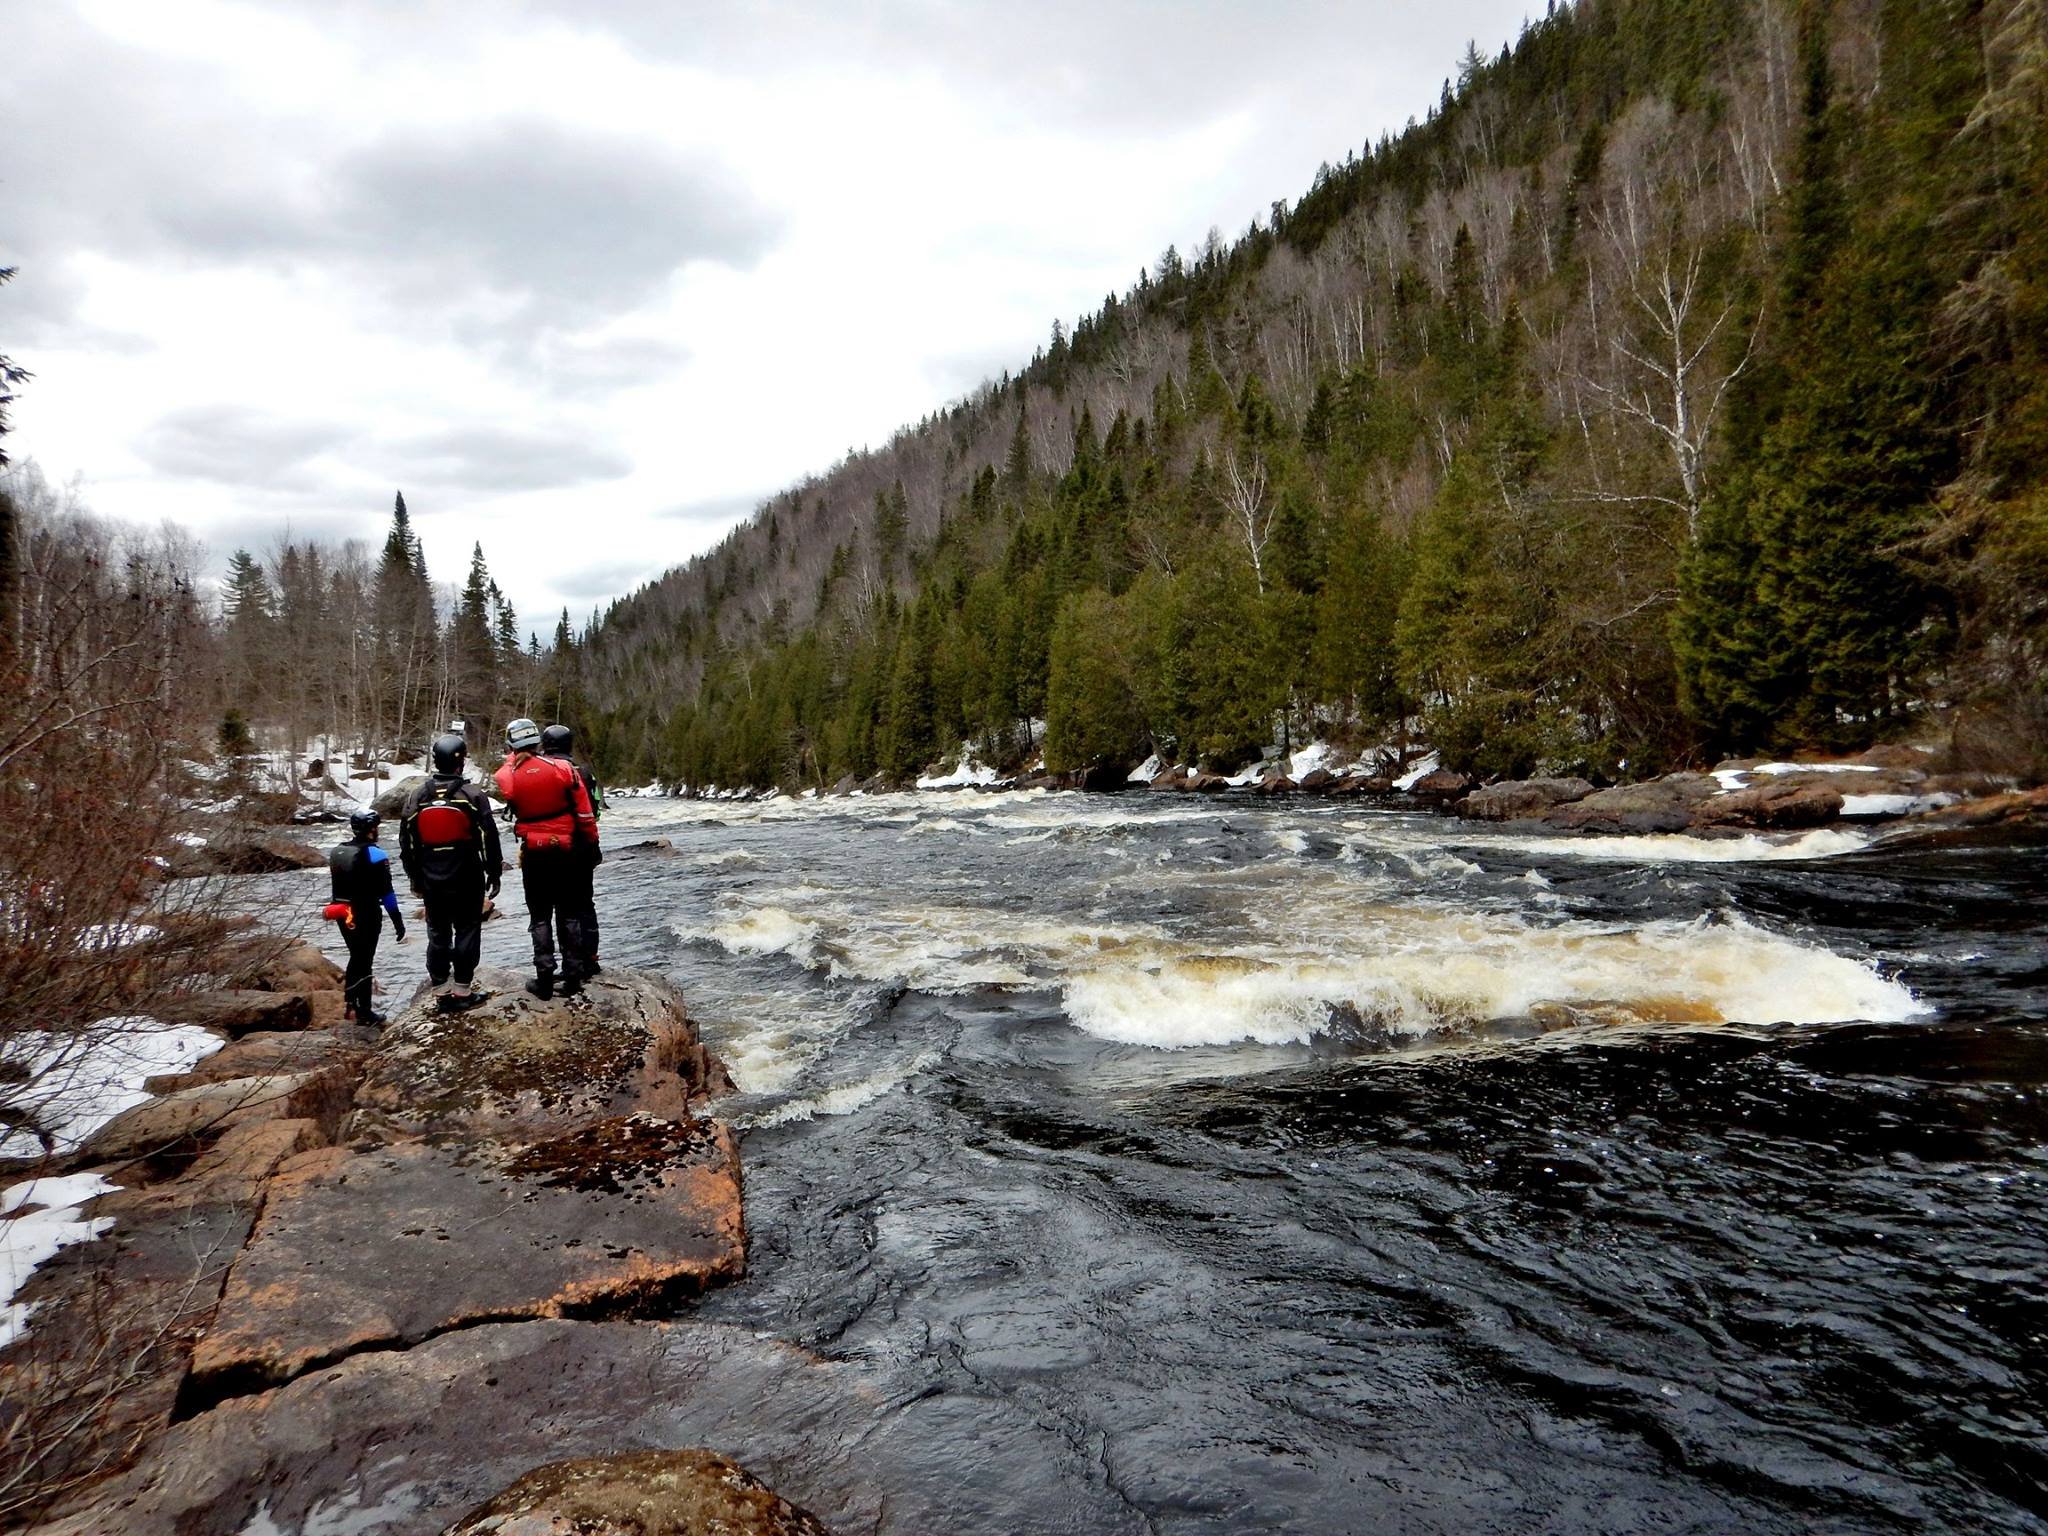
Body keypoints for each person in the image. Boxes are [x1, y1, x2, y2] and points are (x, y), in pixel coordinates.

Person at [494, 716, 599, 999]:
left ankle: (543, 979)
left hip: (533, 852)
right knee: (569, 913)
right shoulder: (563, 768)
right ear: (538, 742)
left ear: (511, 745)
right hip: (566, 850)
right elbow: (586, 815)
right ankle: (573, 976)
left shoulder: (507, 776)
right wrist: (591, 842)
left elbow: (505, 776)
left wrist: (514, 757)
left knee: (539, 916)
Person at [399, 732, 503, 1013]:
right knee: (467, 930)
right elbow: (488, 838)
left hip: (432, 879)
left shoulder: (417, 796)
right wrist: (494, 873)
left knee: (438, 933)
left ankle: (442, 992)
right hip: (466, 877)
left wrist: (414, 878)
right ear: (461, 762)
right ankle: (462, 992)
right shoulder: (472, 795)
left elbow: (406, 842)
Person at [326, 807, 405, 1025]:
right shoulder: (376, 853)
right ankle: (365, 1011)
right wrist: (398, 922)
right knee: (365, 959)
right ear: (372, 829)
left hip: (341, 913)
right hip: (365, 913)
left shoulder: (338, 851)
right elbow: (387, 892)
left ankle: (351, 1004)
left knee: (356, 956)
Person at [540, 722, 603, 978]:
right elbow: (596, 808)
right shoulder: (585, 773)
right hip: (582, 847)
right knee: (584, 904)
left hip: (547, 850)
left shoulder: (538, 773)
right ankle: (589, 958)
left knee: (557, 908)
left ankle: (565, 963)